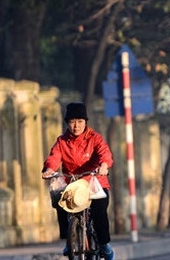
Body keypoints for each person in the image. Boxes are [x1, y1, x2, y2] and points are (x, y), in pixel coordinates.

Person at [42, 102, 115, 260]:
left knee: (99, 212)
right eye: (72, 122)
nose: (76, 126)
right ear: (67, 123)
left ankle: (104, 244)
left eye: (80, 121)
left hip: (95, 184)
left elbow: (105, 153)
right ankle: (70, 239)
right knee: (59, 202)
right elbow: (54, 157)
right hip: (73, 185)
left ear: (85, 122)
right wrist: (49, 169)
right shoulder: (62, 141)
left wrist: (103, 165)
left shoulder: (95, 138)